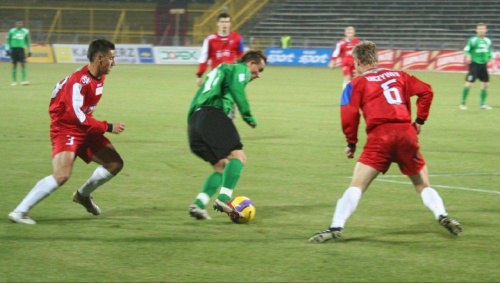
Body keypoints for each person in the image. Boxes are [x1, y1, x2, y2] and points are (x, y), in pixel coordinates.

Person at [309, 41, 462, 243]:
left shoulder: (356, 83)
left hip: (380, 137)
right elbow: (427, 91)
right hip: (406, 133)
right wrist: (419, 120)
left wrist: (351, 142)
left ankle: (336, 226)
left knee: (357, 185)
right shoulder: (400, 75)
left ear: (357, 61)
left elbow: (349, 113)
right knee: (422, 184)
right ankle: (442, 215)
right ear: (376, 58)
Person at [8, 39, 125, 225]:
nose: (114, 63)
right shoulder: (78, 81)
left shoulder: (99, 75)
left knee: (114, 164)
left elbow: (80, 113)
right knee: (62, 174)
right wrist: (108, 126)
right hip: (66, 128)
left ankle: (83, 196)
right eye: (111, 58)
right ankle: (20, 211)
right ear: (100, 58)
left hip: (84, 127)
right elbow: (76, 116)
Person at [187, 50, 267, 220]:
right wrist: (247, 114)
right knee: (238, 157)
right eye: (259, 70)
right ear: (251, 63)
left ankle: (199, 204)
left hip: (195, 122)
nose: (258, 75)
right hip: (211, 115)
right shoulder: (239, 69)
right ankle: (224, 199)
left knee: (221, 167)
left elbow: (199, 97)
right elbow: (237, 89)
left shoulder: (221, 70)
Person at [196, 11, 244, 87]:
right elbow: (204, 58)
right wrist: (199, 75)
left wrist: (241, 74)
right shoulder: (209, 40)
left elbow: (241, 57)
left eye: (226, 22)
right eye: (222, 22)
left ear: (230, 24)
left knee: (231, 98)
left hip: (231, 76)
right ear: (218, 23)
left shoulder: (238, 38)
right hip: (216, 75)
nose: (224, 24)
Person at [460, 23, 495, 110]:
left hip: (483, 65)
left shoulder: (488, 41)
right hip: (474, 64)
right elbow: (467, 50)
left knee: (486, 84)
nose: (481, 30)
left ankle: (482, 104)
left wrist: (492, 62)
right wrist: (468, 56)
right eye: (479, 29)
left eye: (483, 29)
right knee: (469, 84)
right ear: (477, 30)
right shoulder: (473, 40)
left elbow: (489, 52)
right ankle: (463, 103)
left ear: (486, 30)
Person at [5, 20, 32, 86]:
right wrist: (7, 48)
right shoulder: (12, 31)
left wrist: (29, 50)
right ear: (16, 24)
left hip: (21, 49)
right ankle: (14, 81)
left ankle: (24, 80)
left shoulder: (25, 31)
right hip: (14, 49)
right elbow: (8, 40)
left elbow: (27, 41)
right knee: (14, 65)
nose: (19, 24)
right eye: (18, 23)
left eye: (21, 23)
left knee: (23, 63)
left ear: (22, 24)